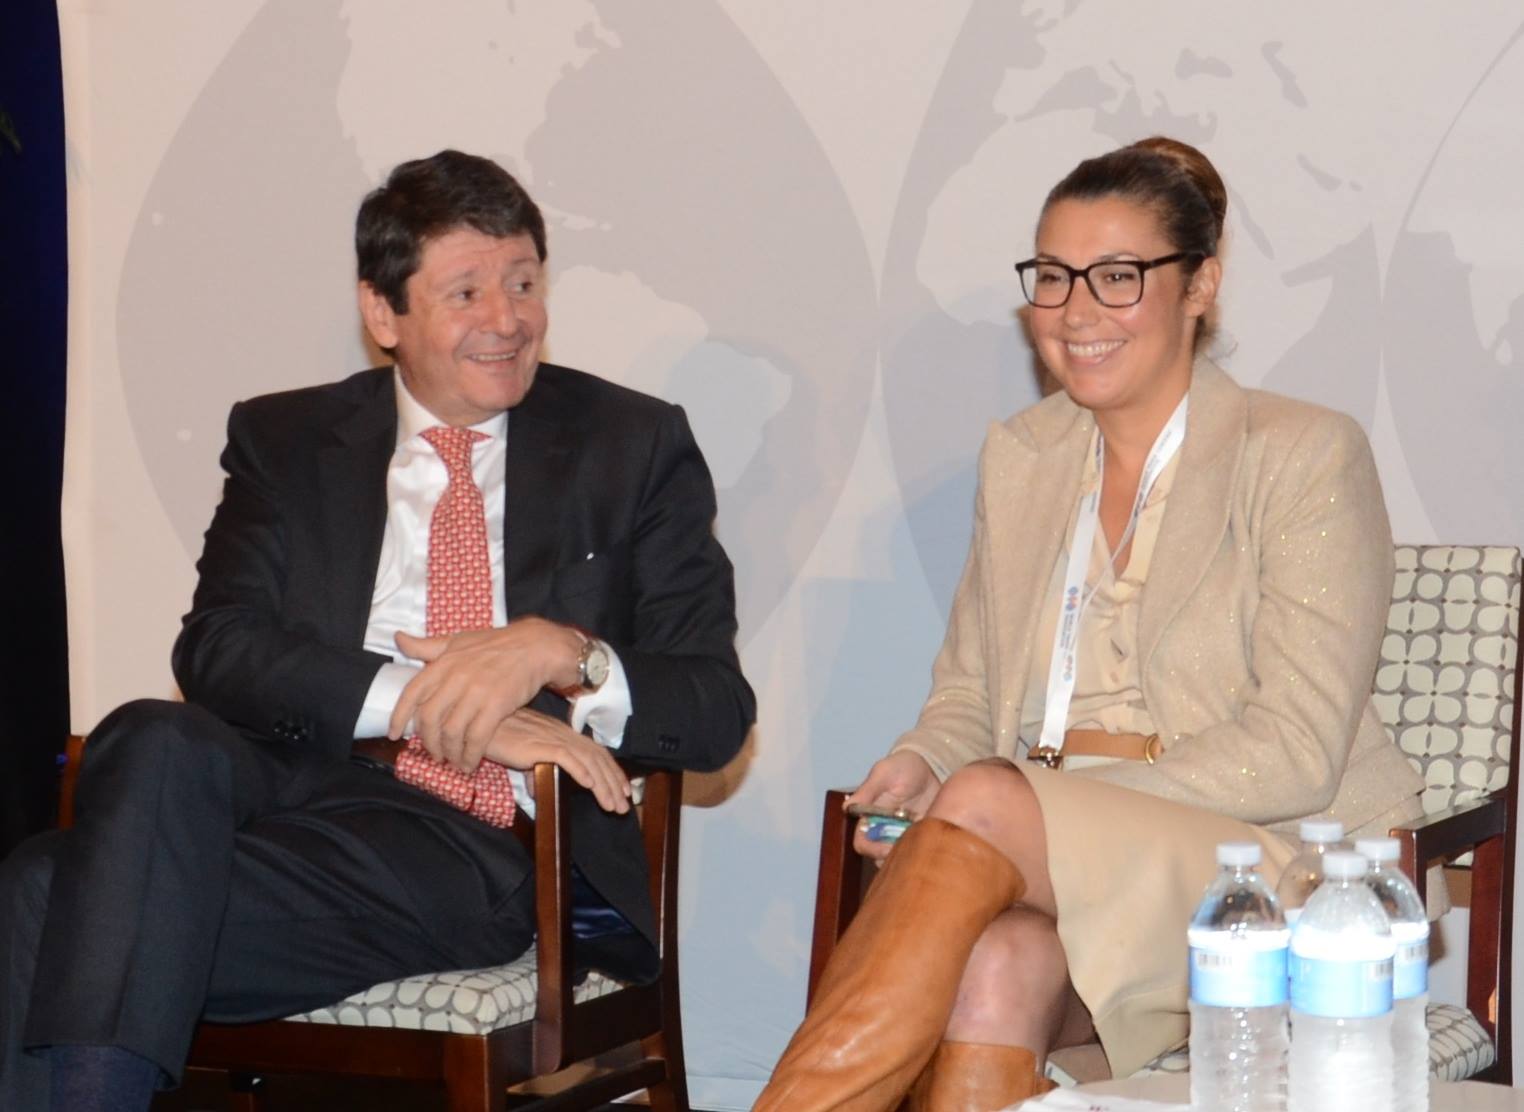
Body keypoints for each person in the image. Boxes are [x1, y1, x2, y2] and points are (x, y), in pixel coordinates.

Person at [0, 149, 755, 1112]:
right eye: (467, 292)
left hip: (474, 840)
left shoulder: (630, 443)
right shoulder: (285, 438)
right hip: (292, 789)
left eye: (525, 283)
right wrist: (430, 704)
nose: (508, 319)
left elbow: (715, 708)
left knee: (47, 888)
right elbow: (219, 646)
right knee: (152, 734)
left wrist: (561, 651)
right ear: (382, 313)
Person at [754, 137, 1423, 1111]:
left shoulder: (1302, 453)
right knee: (999, 963)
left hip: (1252, 869)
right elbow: (970, 694)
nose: (1075, 312)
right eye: (1054, 277)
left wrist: (1032, 804)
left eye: (1117, 277)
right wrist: (923, 759)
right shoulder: (1022, 457)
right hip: (1050, 860)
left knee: (988, 798)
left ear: (1200, 287)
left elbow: (1297, 751)